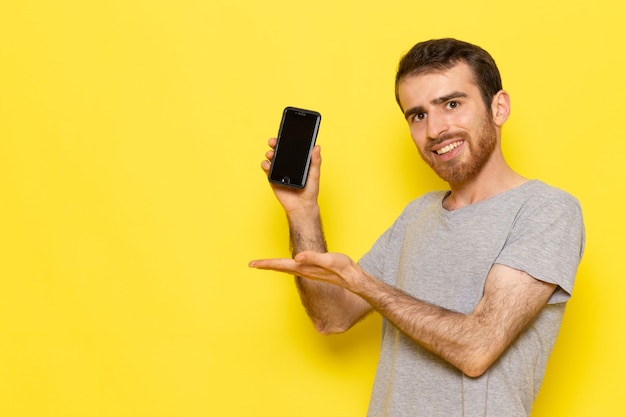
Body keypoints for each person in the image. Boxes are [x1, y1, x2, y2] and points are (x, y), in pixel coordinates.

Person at [249, 38, 585, 417]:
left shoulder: (547, 210)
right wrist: (302, 211)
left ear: (499, 107)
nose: (435, 130)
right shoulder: (417, 215)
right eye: (418, 115)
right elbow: (332, 317)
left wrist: (363, 282)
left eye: (452, 104)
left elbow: (477, 349)